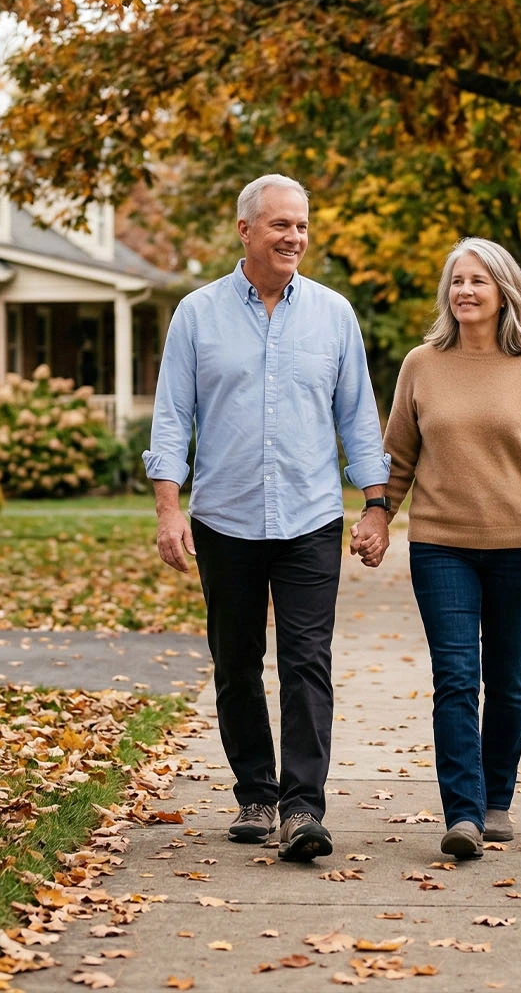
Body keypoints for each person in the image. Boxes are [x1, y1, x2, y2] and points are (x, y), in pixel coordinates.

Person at [144, 174, 393, 863]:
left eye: (302, 227)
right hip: (224, 519)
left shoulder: (334, 315)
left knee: (307, 661)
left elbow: (358, 420)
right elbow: (172, 419)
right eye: (281, 225)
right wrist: (169, 510)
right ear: (246, 229)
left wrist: (375, 506)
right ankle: (256, 792)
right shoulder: (196, 315)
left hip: (311, 517)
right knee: (236, 662)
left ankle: (303, 808)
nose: (294, 238)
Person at [380, 237, 521, 860]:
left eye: (478, 281)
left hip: (519, 546)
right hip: (441, 546)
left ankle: (497, 802)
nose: (464, 291)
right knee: (457, 678)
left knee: (508, 681)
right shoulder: (422, 363)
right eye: (457, 281)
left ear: (504, 293)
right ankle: (462, 813)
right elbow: (398, 456)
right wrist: (377, 513)